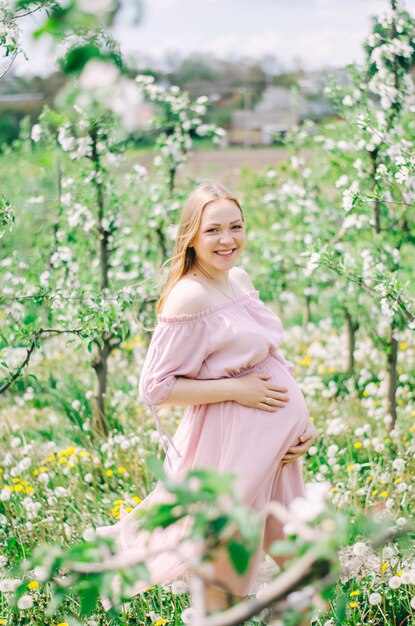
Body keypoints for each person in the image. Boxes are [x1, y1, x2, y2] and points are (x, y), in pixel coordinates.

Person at [95, 180, 317, 613]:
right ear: (191, 236)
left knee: (299, 562)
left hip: (278, 450)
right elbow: (155, 388)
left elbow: (271, 356)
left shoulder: (239, 279)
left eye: (236, 227)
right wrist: (238, 389)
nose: (228, 239)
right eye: (213, 230)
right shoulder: (189, 297)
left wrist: (302, 422)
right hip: (234, 448)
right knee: (225, 567)